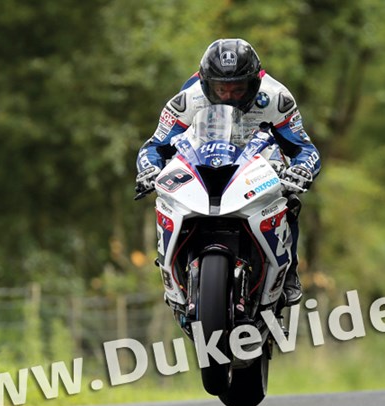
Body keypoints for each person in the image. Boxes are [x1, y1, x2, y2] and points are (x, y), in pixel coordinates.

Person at [135, 38, 321, 305]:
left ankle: (288, 272)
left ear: (254, 83)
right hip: (202, 161)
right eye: (221, 88)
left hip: (257, 165)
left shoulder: (277, 99)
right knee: (166, 197)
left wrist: (302, 169)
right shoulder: (187, 99)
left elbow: (304, 148)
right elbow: (155, 145)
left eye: (238, 88)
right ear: (205, 82)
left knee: (289, 201)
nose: (229, 96)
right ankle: (172, 268)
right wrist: (149, 169)